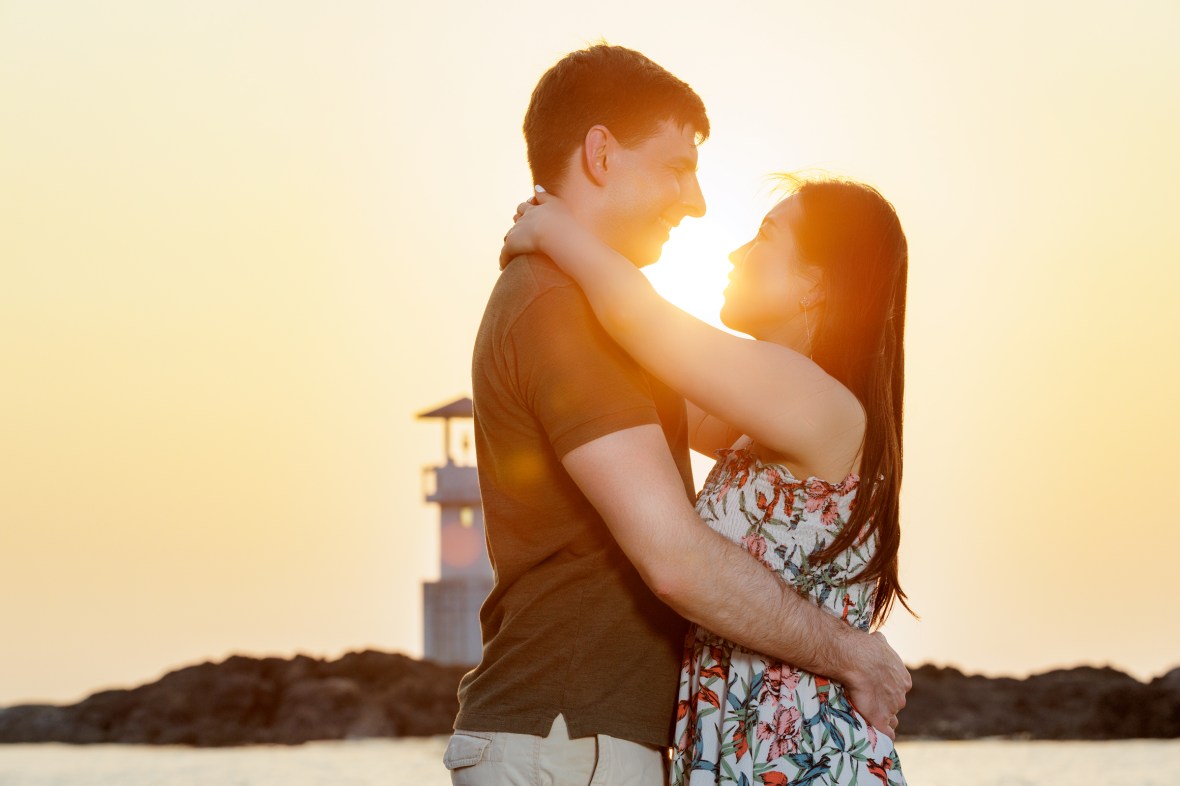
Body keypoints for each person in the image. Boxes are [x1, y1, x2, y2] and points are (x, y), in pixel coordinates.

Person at [444, 44, 909, 786]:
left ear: (817, 285)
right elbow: (675, 548)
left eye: (765, 236)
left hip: (789, 754)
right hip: (610, 739)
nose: (703, 213)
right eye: (676, 168)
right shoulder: (565, 313)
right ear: (601, 154)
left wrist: (557, 229)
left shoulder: (809, 398)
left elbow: (646, 327)